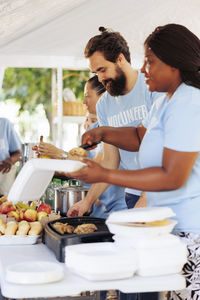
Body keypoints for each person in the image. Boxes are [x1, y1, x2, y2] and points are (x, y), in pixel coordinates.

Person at [65, 23, 200, 299]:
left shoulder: (184, 101)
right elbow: (138, 137)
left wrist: (112, 179)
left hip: (184, 221)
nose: (144, 69)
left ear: (173, 64)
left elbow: (172, 175)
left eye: (150, 62)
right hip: (159, 216)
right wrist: (102, 133)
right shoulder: (163, 100)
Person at [67, 27, 161, 219]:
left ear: (120, 59)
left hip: (162, 192)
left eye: (102, 70)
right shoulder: (104, 105)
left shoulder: (153, 88)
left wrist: (145, 203)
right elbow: (110, 161)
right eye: (95, 72)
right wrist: (87, 201)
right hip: (134, 194)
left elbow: (163, 155)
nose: (100, 79)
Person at [33, 75, 127, 219]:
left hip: (116, 211)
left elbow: (102, 164)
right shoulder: (94, 129)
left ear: (103, 96)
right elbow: (78, 162)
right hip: (93, 209)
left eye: (87, 96)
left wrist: (59, 154)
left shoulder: (115, 127)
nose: (83, 101)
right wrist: (48, 160)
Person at [0, 117, 21, 195]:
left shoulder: (4, 124)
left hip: (3, 176)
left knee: (5, 203)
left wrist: (10, 160)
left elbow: (18, 153)